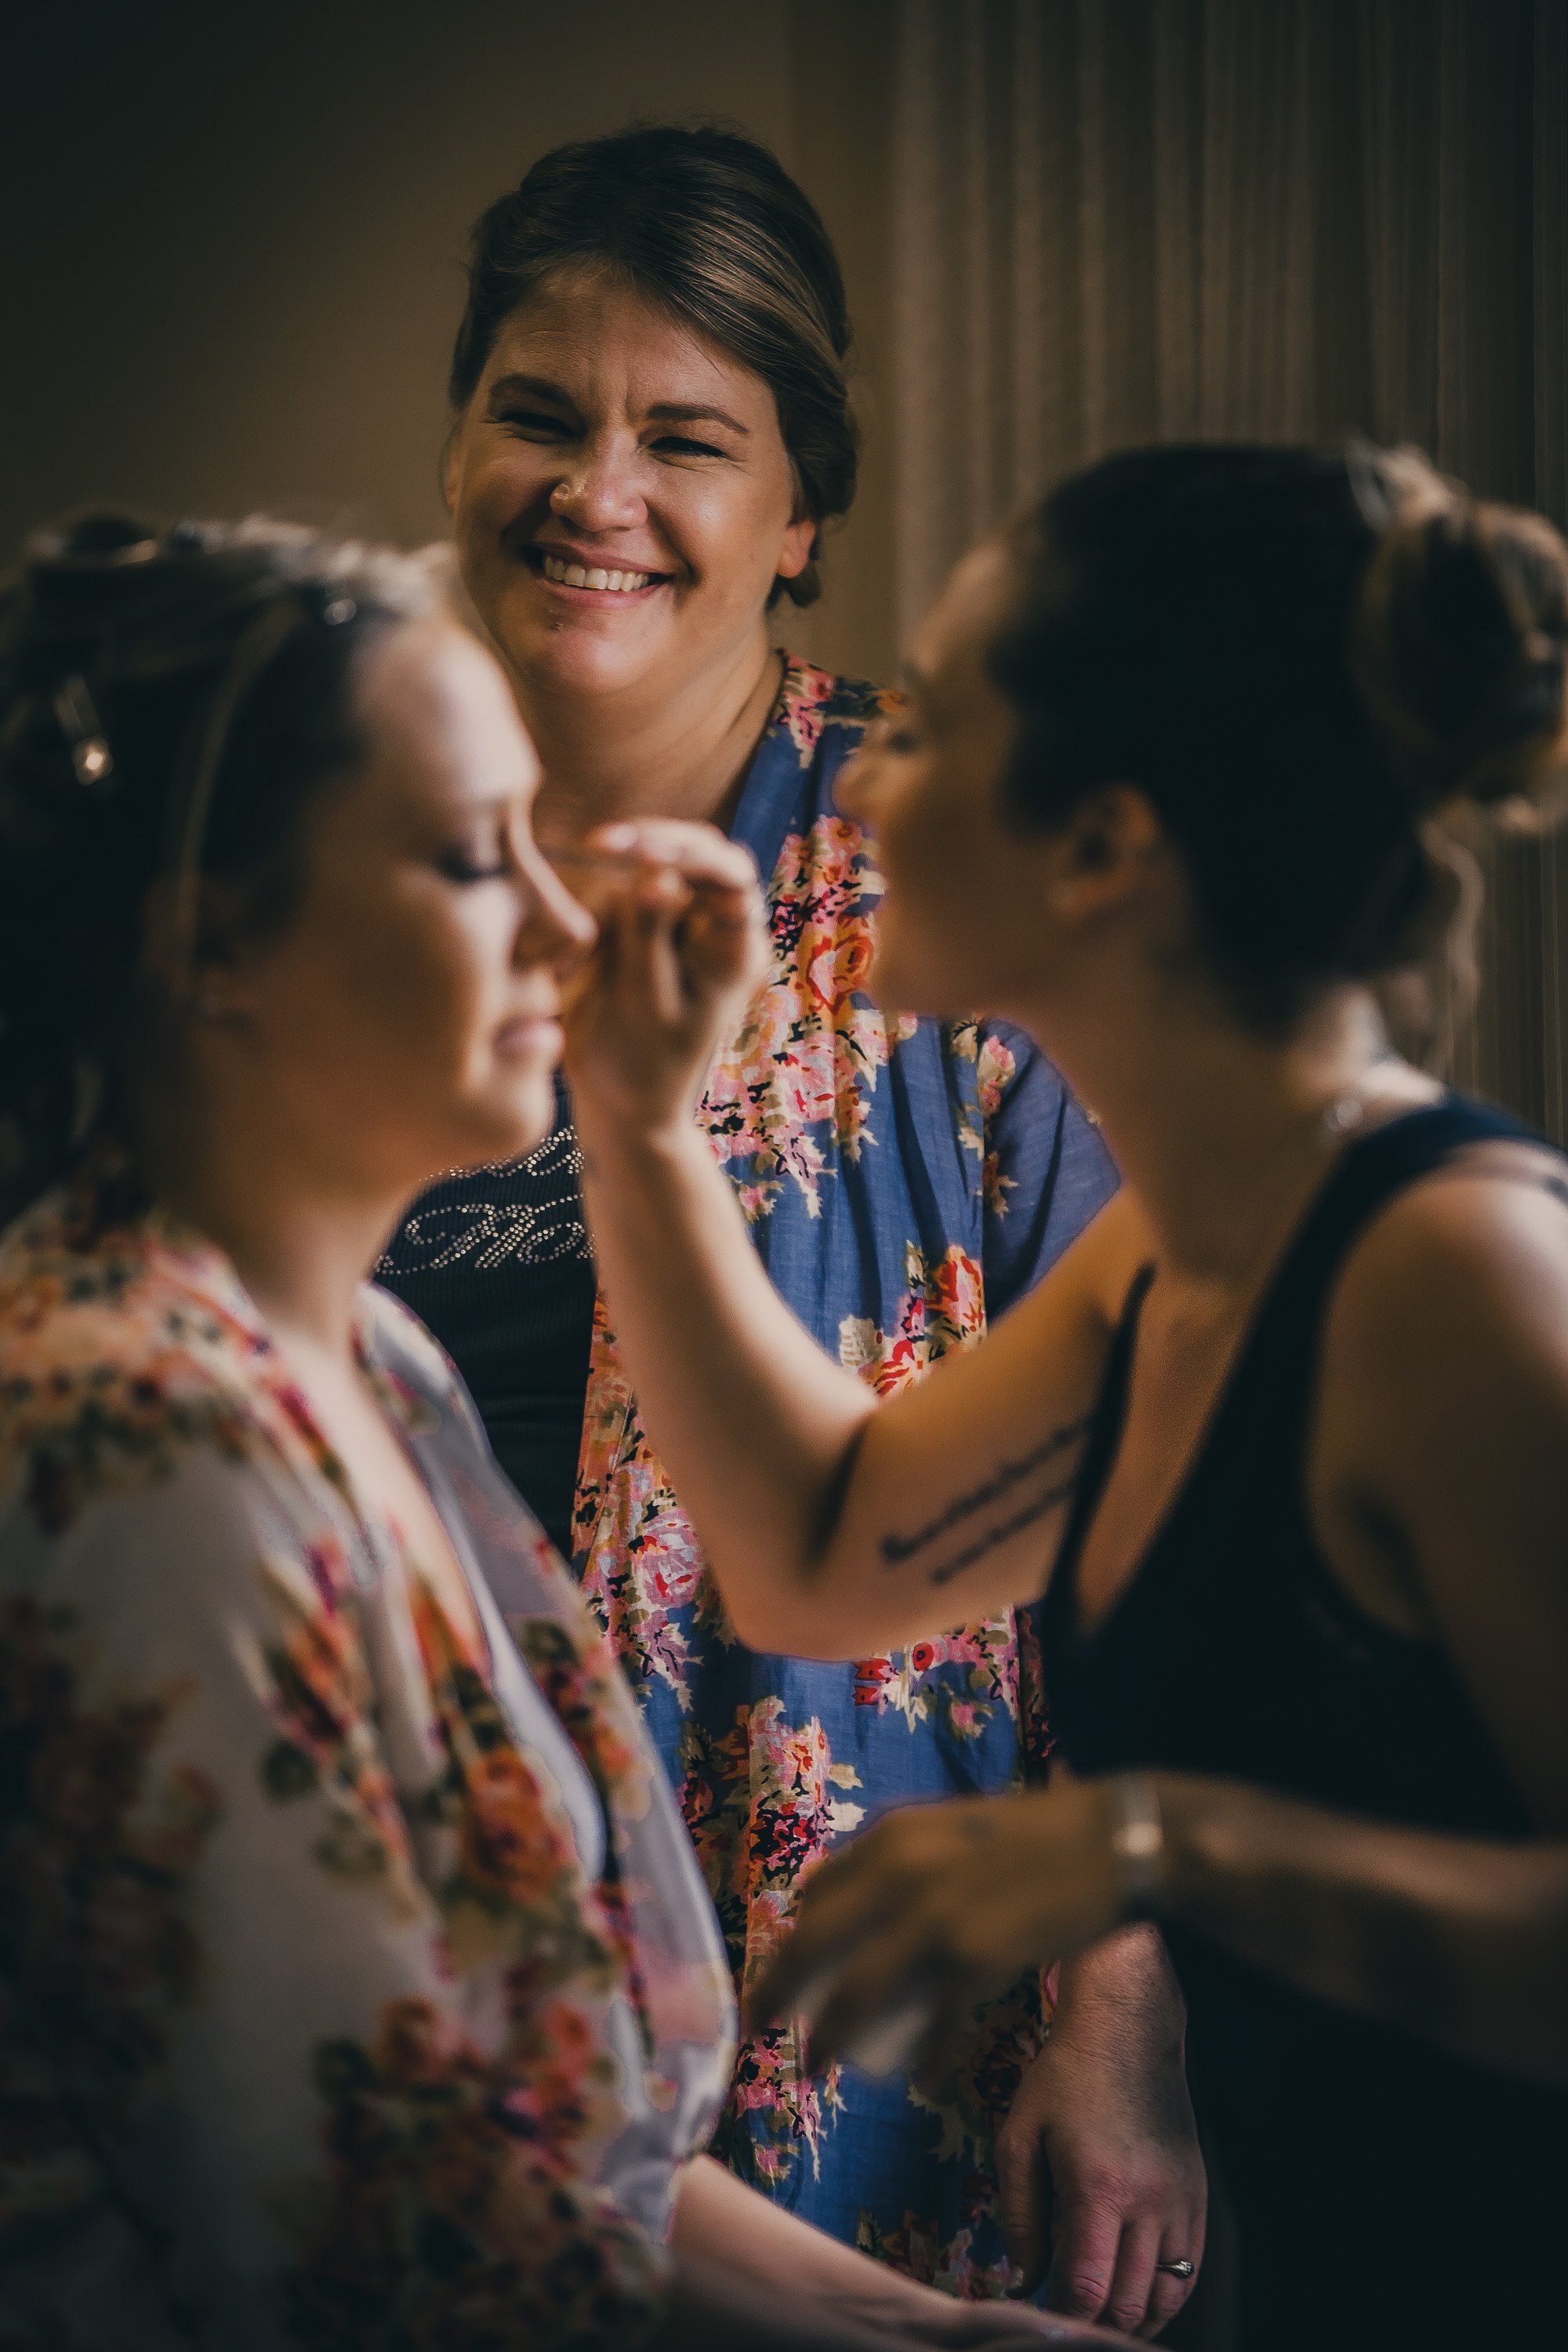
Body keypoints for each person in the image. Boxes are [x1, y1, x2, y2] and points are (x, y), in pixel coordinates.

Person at [0, 511, 1120, 2352]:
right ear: (210, 948)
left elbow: (534, 2148)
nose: (558, 915)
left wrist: (944, 2335)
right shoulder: (144, 1449)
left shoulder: (364, 1355)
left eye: (540, 835)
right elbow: (408, 2250)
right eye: (465, 859)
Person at [557, 441, 1568, 2352]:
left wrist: (1149, 1849)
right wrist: (635, 1113)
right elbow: (820, 1555)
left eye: (936, 735)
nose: (859, 777)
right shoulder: (1181, 1254)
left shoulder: (1454, 1272)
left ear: (1100, 848)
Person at [376, 123, 1203, 2327]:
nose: (597, 490)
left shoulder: (985, 863)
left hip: (871, 1982)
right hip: (418, 1973)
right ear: (460, 443)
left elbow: (1153, 1484)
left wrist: (1122, 2017)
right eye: (538, 413)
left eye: (688, 438)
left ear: (799, 509)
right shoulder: (330, 866)